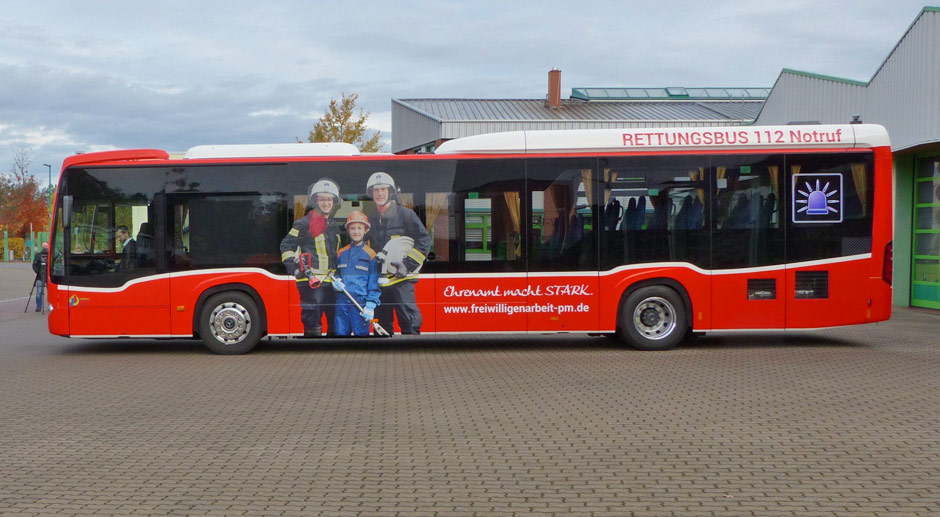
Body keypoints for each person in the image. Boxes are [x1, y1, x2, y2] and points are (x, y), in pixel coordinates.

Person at [364, 171, 431, 335]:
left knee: (410, 321)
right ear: (371, 193)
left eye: (383, 189)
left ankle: (412, 354)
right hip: (381, 280)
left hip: (402, 278)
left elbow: (424, 240)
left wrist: (408, 264)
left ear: (390, 192)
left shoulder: (405, 214)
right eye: (376, 190)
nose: (380, 193)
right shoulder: (369, 218)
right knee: (381, 324)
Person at [279, 178, 342, 337]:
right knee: (313, 318)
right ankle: (314, 350)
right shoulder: (304, 223)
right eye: (322, 199)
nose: (326, 203)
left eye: (329, 199)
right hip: (311, 282)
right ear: (315, 201)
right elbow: (286, 246)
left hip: (330, 281)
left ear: (334, 201)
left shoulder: (333, 226)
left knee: (334, 318)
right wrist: (294, 270)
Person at [332, 211, 381, 336]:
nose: (356, 231)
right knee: (340, 335)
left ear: (366, 230)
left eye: (360, 228)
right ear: (348, 231)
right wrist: (335, 282)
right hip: (342, 301)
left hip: (360, 302)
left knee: (361, 338)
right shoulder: (341, 253)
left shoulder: (371, 254)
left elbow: (374, 282)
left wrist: (371, 304)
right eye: (352, 228)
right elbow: (336, 273)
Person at [31, 242, 49, 313]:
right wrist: (38, 272)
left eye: (46, 246)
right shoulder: (38, 256)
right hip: (40, 276)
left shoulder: (51, 255)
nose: (45, 247)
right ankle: (39, 306)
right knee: (39, 292)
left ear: (48, 246)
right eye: (43, 246)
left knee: (51, 292)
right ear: (41, 247)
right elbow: (34, 265)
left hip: (50, 277)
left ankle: (52, 305)